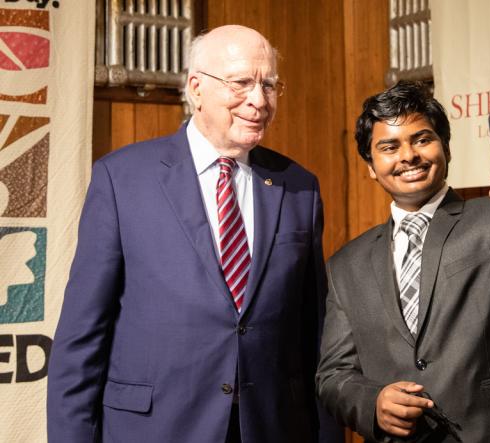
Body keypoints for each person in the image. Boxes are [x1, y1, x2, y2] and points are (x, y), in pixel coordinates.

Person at [48, 25, 342, 443]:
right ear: (196, 88)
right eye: (241, 82)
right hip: (155, 428)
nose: (259, 100)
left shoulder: (299, 187)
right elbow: (83, 335)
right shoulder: (122, 179)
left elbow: (313, 333)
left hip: (272, 426)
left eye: (269, 85)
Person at [316, 80, 490, 442]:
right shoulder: (345, 266)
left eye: (422, 139)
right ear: (370, 164)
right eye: (388, 146)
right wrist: (373, 403)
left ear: (445, 147)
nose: (408, 155)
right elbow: (334, 375)